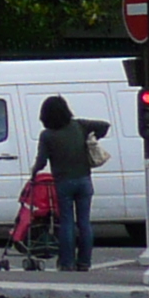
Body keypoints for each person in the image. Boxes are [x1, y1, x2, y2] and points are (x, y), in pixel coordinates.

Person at [35, 94, 95, 271]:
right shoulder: (80, 126)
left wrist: (33, 172)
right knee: (84, 222)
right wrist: (91, 139)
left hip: (64, 182)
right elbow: (104, 126)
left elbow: (41, 161)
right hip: (84, 180)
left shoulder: (47, 135)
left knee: (67, 222)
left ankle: (67, 262)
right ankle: (84, 262)